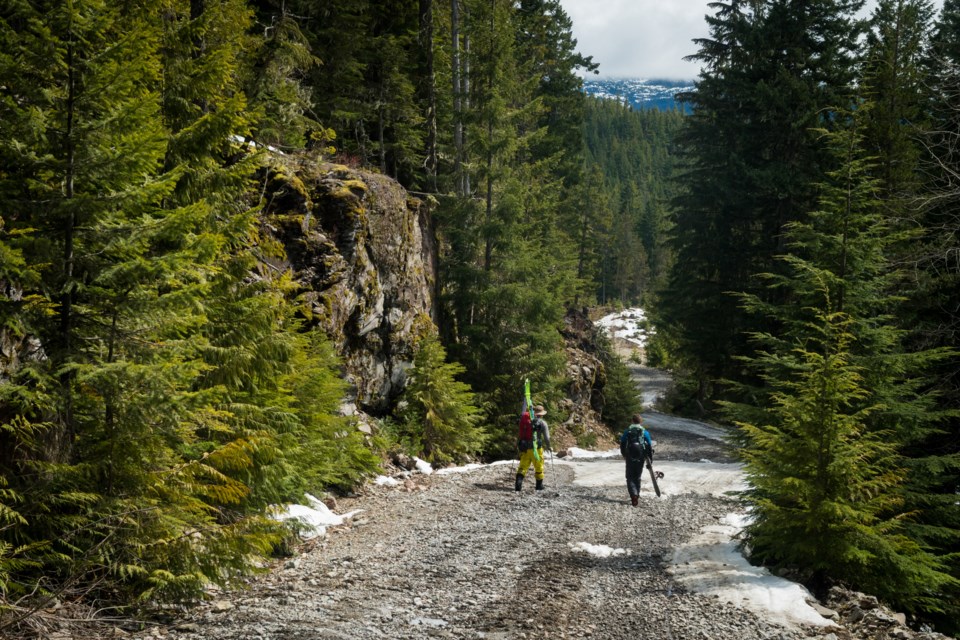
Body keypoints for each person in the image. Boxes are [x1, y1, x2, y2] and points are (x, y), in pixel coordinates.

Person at [515, 405, 551, 492]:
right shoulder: (543, 423)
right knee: (539, 467)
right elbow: (547, 438)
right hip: (536, 449)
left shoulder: (525, 421)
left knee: (523, 467)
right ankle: (539, 486)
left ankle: (518, 485)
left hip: (525, 447)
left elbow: (520, 432)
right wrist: (549, 446)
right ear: (541, 414)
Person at [620, 414, 653, 506]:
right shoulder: (644, 432)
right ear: (640, 422)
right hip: (640, 456)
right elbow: (649, 446)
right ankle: (637, 494)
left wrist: (624, 454)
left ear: (632, 421)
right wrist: (650, 459)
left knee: (629, 477)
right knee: (637, 477)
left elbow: (622, 443)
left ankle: (633, 495)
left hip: (630, 455)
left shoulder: (628, 431)